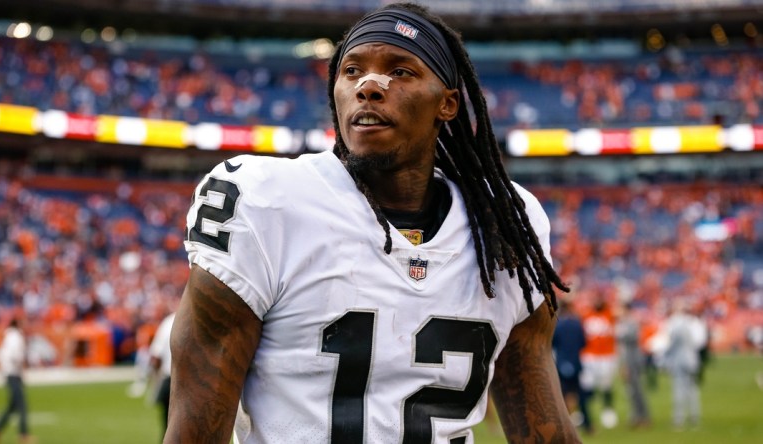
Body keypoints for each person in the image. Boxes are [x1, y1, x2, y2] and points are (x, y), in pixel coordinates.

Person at [166, 3, 578, 443]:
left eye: (400, 71)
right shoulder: (266, 202)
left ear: (448, 103)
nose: (369, 86)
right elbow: (194, 431)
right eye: (352, 71)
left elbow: (544, 431)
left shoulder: (504, 225)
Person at [663, 298, 707, 430]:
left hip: (679, 360)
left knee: (680, 389)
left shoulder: (675, 323)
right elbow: (700, 342)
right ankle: (693, 417)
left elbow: (669, 343)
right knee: (691, 389)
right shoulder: (694, 323)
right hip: (691, 359)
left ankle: (679, 419)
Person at [552, 297, 592, 435]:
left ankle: (566, 424)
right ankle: (587, 424)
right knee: (580, 394)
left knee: (563, 395)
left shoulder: (557, 325)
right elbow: (584, 343)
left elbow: (553, 344)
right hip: (576, 361)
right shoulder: (577, 323)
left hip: (562, 362)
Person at [0, 318, 32, 444]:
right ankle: (23, 435)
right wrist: (21, 369)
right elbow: (15, 356)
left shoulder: (9, 336)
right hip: (13, 373)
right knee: (22, 405)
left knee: (12, 405)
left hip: (9, 373)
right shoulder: (16, 337)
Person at [580, 294, 619, 429]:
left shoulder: (610, 314)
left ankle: (608, 410)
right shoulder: (586, 315)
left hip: (606, 355)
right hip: (589, 356)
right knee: (587, 386)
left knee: (606, 385)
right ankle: (584, 414)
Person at [615, 302, 651, 428]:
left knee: (637, 390)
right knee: (630, 391)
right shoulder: (622, 323)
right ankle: (636, 416)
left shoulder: (631, 323)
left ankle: (643, 417)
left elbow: (632, 338)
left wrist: (619, 335)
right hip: (626, 361)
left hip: (633, 361)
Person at [149, 310, 176, 441]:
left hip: (170, 380)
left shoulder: (169, 322)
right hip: (197, 383)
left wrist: (155, 382)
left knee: (168, 429)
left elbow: (155, 356)